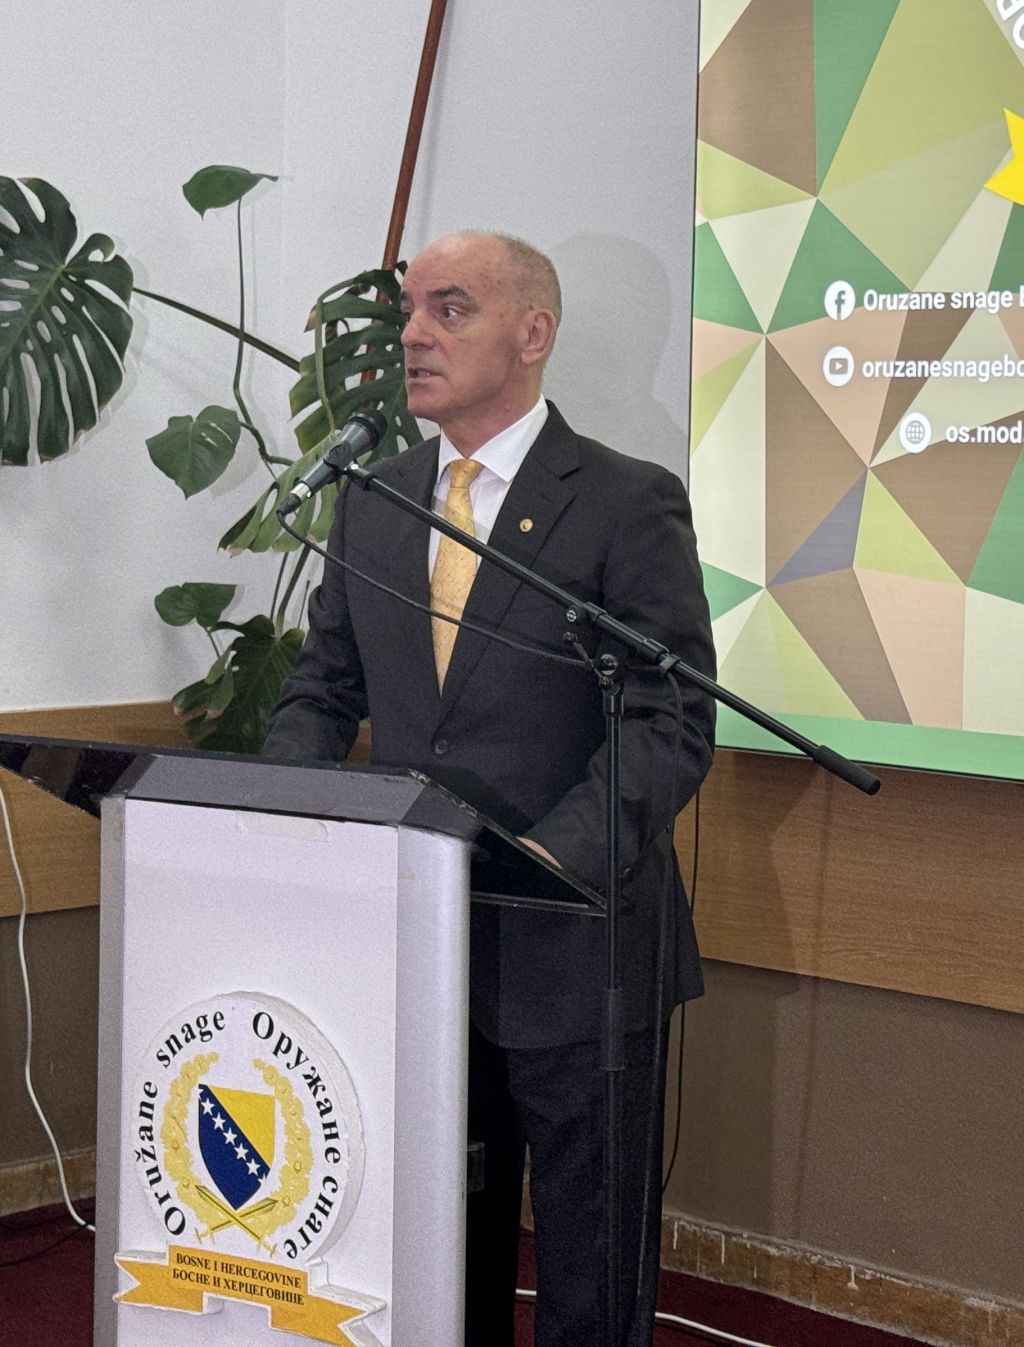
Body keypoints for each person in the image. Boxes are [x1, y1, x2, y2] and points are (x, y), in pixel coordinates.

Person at [263, 231, 716, 1346]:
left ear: (532, 333)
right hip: (418, 947)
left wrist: (554, 857)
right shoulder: (376, 501)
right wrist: (279, 818)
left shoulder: (624, 500)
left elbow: (669, 717)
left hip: (579, 945)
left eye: (450, 309)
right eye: (409, 311)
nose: (414, 334)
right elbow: (325, 689)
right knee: (436, 1247)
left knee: (588, 1262)